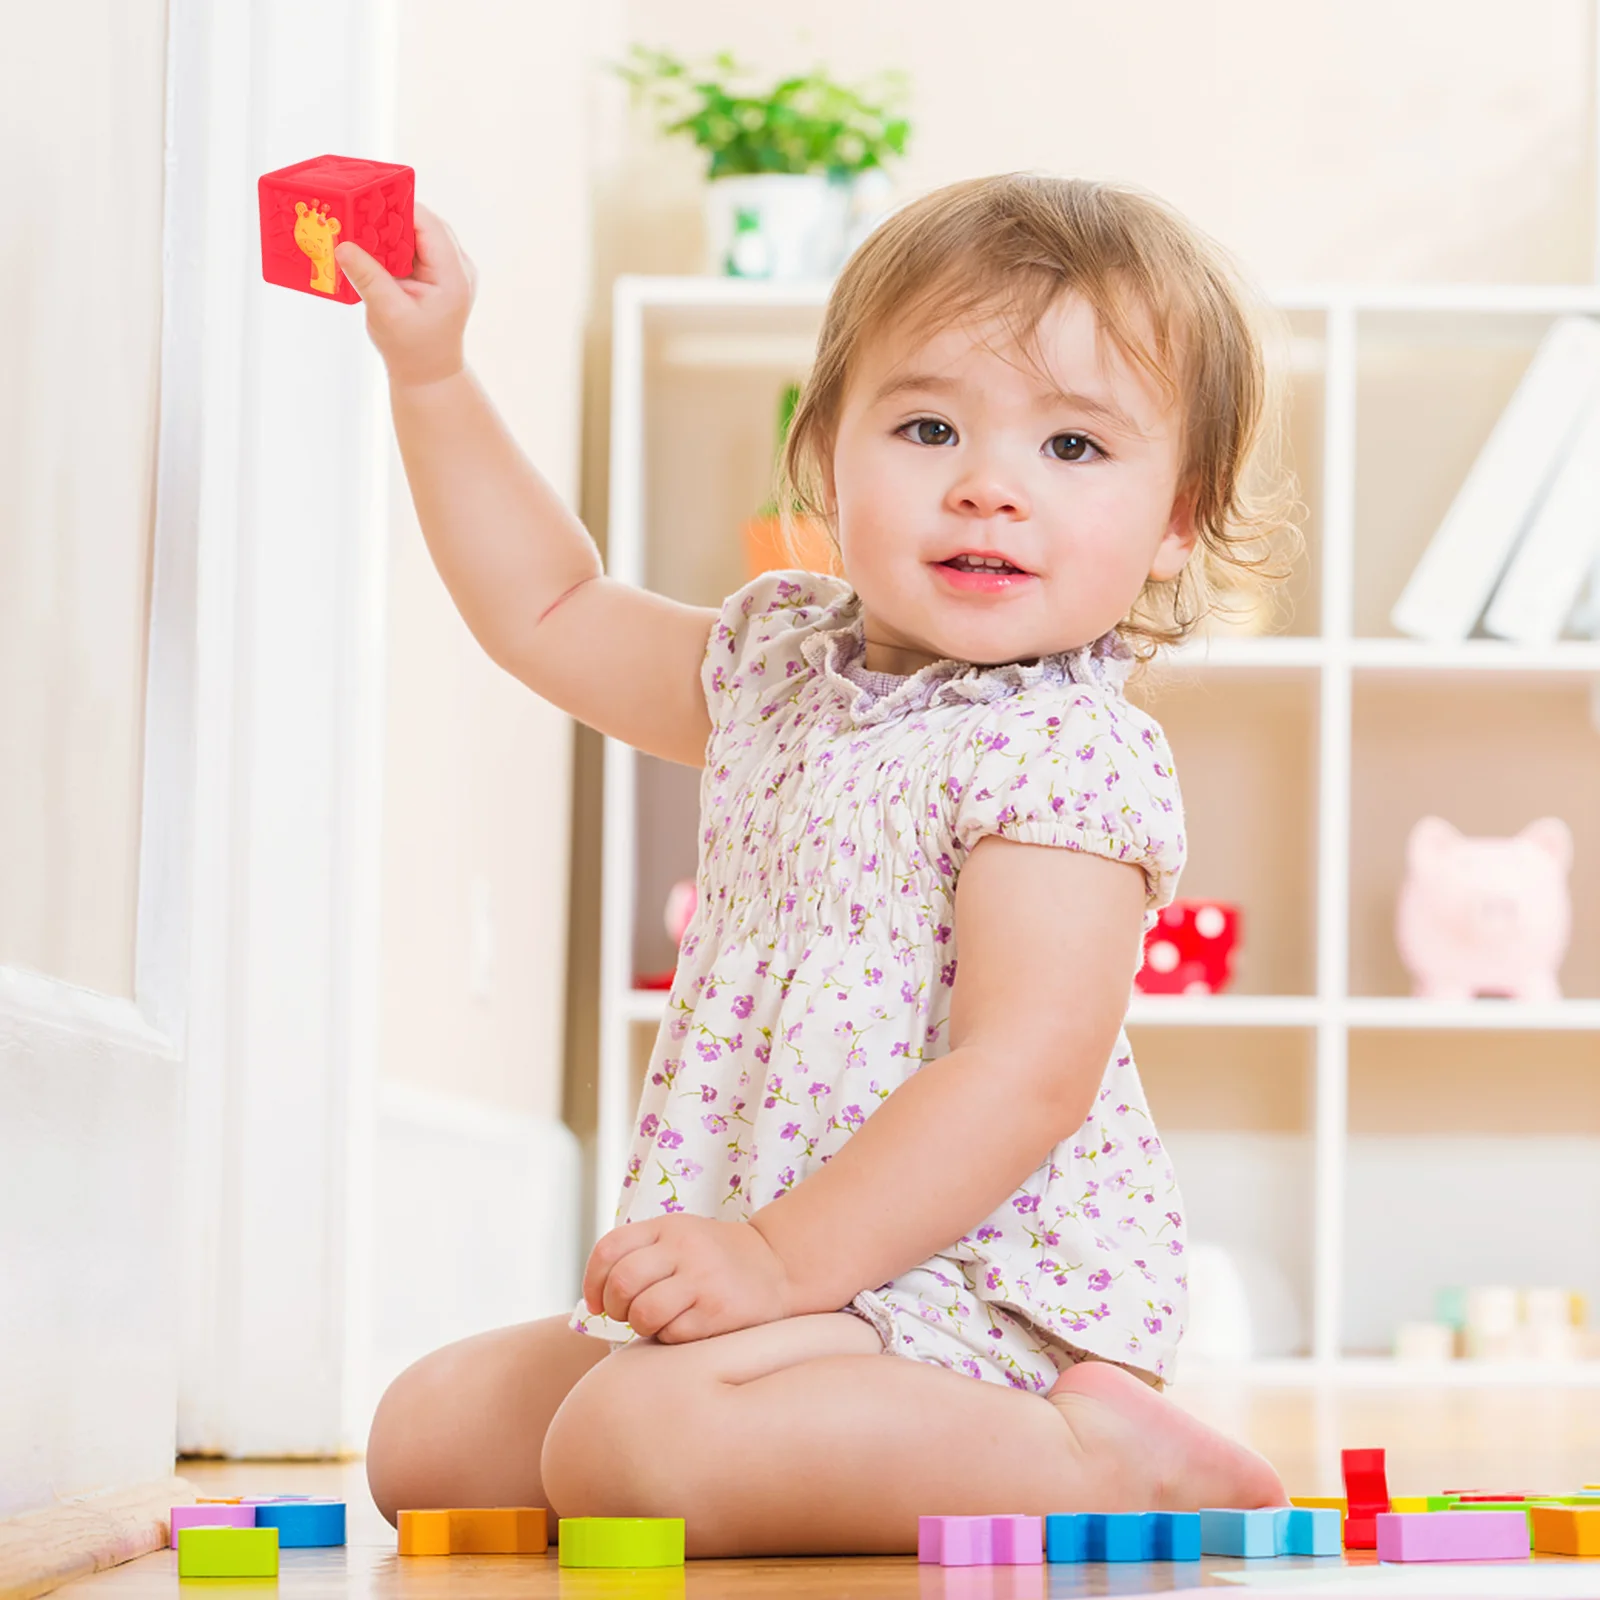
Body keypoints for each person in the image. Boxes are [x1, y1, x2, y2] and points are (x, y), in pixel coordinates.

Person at [340, 171, 1296, 1559]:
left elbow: (1025, 1073)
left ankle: (1092, 1461)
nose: (988, 485)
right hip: (778, 1273)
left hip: (961, 1298)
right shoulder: (779, 670)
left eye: (1074, 451)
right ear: (824, 457)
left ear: (1175, 527)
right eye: (927, 427)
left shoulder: (1060, 754)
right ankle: (786, 1402)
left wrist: (780, 1260)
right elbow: (546, 608)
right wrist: (432, 378)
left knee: (630, 1448)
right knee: (426, 1439)